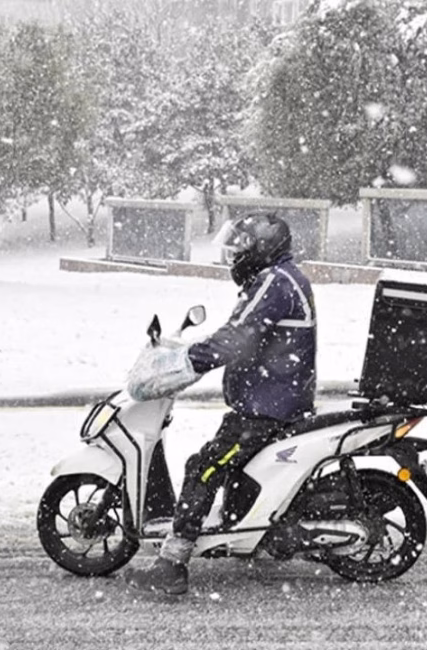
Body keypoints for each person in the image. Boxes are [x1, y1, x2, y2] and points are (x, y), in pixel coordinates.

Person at [124, 212, 317, 596]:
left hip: (267, 409)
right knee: (230, 468)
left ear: (262, 248)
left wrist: (188, 362)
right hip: (271, 401)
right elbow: (241, 332)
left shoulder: (274, 282)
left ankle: (172, 565)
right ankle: (255, 535)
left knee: (203, 468)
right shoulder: (278, 278)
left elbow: (238, 337)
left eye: (240, 248)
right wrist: (195, 349)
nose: (233, 257)